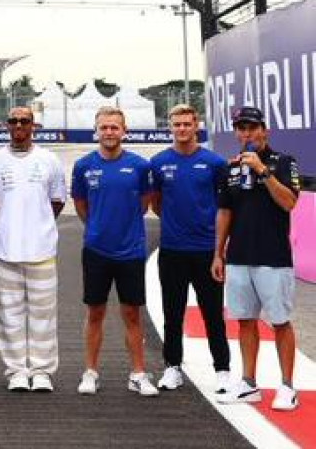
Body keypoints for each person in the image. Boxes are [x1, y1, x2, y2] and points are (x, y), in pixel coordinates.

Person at [214, 106, 302, 411]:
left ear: (264, 130)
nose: (246, 133)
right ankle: (249, 384)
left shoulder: (283, 162)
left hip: (273, 258)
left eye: (252, 127)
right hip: (238, 257)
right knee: (245, 321)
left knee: (280, 321)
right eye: (241, 128)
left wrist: (263, 172)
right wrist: (218, 254)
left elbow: (289, 203)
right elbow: (225, 212)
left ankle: (288, 386)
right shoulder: (231, 168)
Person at [71, 106, 158, 397]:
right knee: (95, 312)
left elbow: (144, 204)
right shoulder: (83, 165)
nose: (109, 132)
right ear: (96, 131)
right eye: (104, 127)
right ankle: (91, 372)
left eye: (114, 127)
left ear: (124, 131)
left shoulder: (140, 166)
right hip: (96, 250)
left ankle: (138, 373)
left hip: (131, 251)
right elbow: (82, 206)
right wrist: (97, 227)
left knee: (132, 313)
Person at [0, 106, 66, 392]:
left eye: (24, 121)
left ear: (33, 125)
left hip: (41, 249)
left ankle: (41, 370)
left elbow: (56, 200)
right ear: (7, 125)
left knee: (43, 314)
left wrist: (36, 224)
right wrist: (7, 223)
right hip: (7, 250)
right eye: (14, 120)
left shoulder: (49, 160)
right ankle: (16, 370)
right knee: (10, 313)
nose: (19, 125)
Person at [149, 104, 230, 393]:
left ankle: (222, 369)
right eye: (177, 124)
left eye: (187, 124)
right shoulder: (158, 163)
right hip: (172, 251)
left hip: (207, 252)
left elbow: (225, 207)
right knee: (173, 313)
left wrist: (219, 250)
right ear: (170, 127)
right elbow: (156, 203)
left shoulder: (215, 163)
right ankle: (172, 367)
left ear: (197, 125)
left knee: (212, 314)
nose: (182, 129)